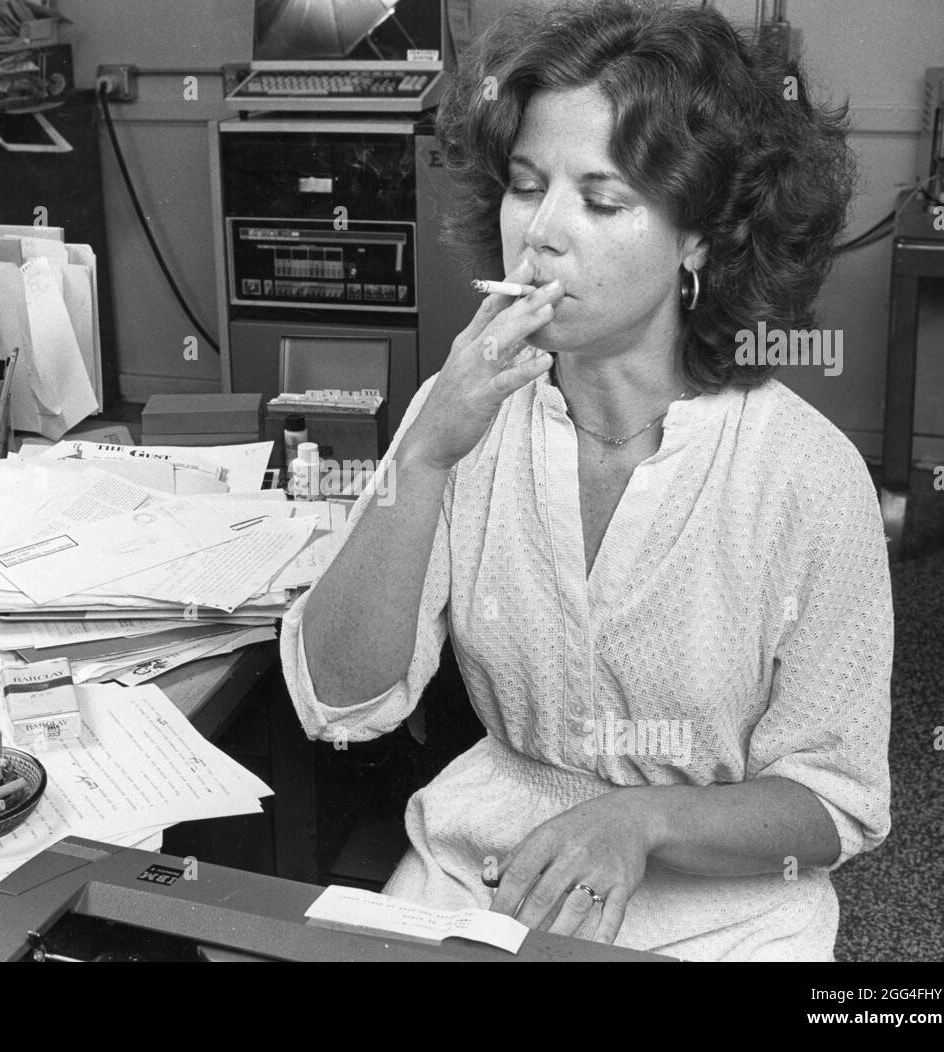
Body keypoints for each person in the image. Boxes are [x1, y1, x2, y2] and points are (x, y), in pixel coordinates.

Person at [278, 0, 892, 961]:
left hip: (722, 914)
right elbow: (341, 703)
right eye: (528, 187)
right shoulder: (461, 411)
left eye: (602, 201)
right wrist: (426, 454)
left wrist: (640, 822)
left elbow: (834, 806)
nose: (542, 235)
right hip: (483, 883)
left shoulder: (807, 474)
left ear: (701, 238)